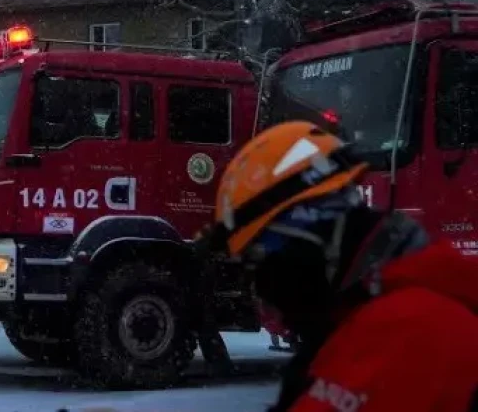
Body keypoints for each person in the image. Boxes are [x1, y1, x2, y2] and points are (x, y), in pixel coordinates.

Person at [205, 120, 478, 411]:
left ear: (312, 235)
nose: (261, 288)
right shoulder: (353, 318)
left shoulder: (405, 328)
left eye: (259, 257)